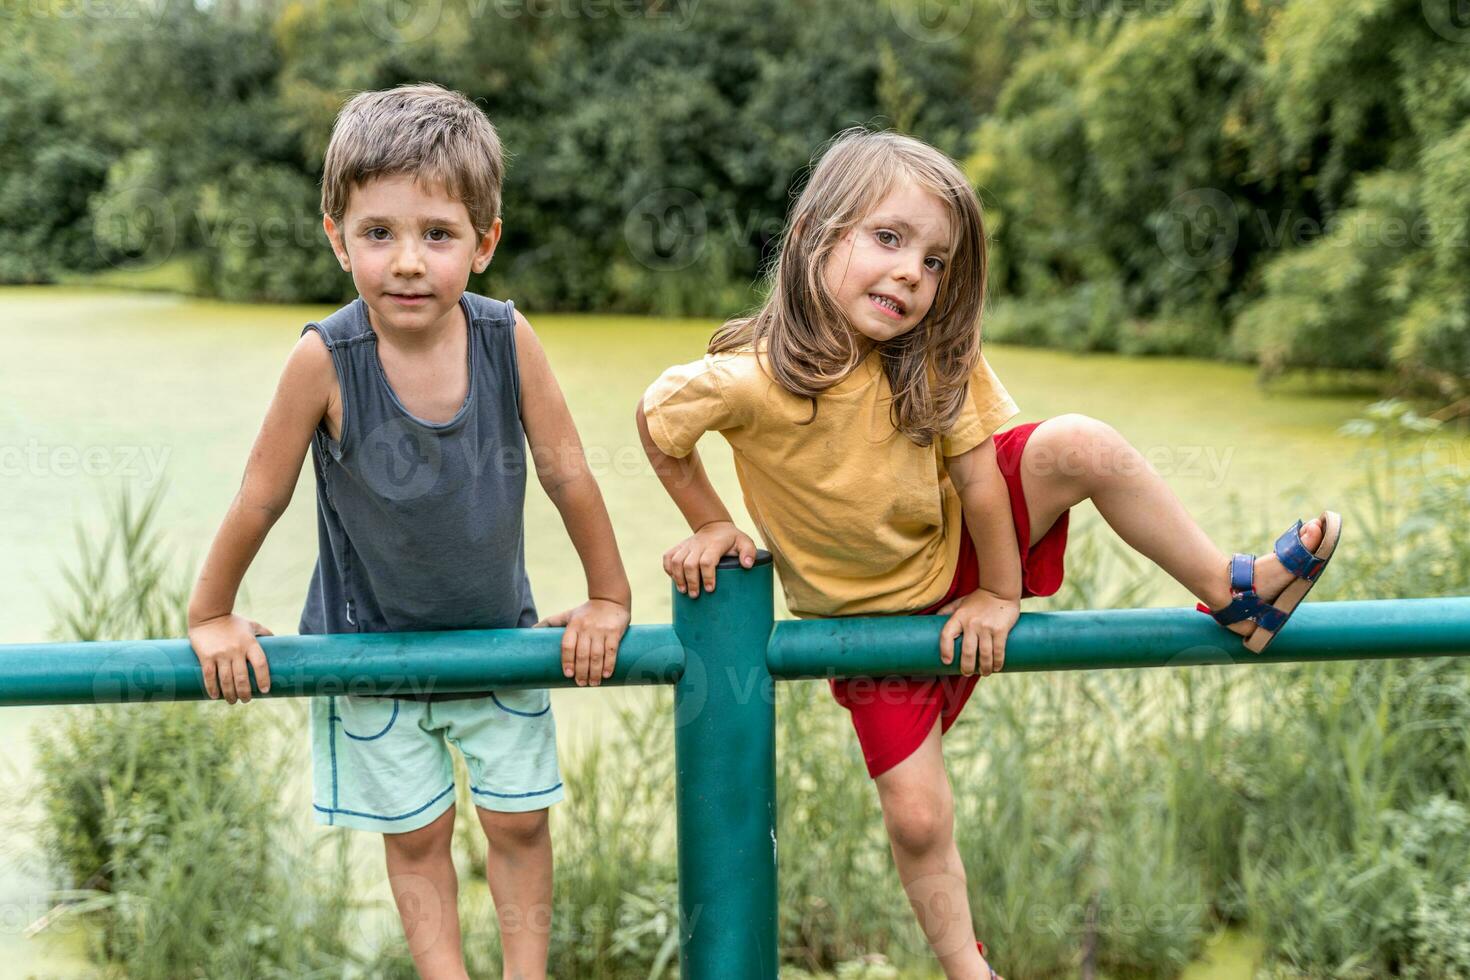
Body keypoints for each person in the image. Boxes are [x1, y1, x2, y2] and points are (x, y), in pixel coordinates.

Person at [636, 127, 1340, 980]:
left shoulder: (937, 358)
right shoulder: (749, 377)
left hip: (967, 556)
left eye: (936, 262)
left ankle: (1231, 591)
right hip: (869, 622)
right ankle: (967, 966)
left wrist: (999, 593)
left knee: (1079, 441)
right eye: (889, 239)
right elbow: (658, 421)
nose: (911, 273)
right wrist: (712, 522)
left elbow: (978, 481)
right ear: (816, 234)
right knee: (919, 817)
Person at [187, 82, 631, 980]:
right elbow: (258, 498)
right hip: (368, 651)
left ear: (484, 242)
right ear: (336, 237)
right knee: (418, 834)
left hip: (498, 639)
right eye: (378, 233)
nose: (407, 261)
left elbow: (566, 472)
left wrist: (609, 598)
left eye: (438, 234)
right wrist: (210, 614)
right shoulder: (326, 358)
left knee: (518, 821)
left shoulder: (508, 339)